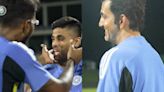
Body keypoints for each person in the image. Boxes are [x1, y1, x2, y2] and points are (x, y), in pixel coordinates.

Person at [0, 0, 82, 92]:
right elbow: (60, 89)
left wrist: (38, 63)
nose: (54, 44)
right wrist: (71, 61)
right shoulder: (15, 51)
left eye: (60, 39)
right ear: (26, 25)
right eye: (34, 23)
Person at [97, 0, 164, 92]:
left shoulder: (115, 57)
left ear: (121, 20)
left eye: (104, 16)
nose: (100, 23)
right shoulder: (156, 58)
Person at [25, 16, 82, 92]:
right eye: (53, 39)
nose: (54, 44)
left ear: (76, 42)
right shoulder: (45, 72)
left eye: (60, 39)